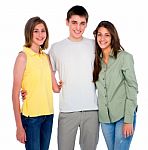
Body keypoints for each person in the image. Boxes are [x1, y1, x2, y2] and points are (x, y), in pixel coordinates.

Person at [48, 5, 99, 150]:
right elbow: (46, 72)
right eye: (74, 22)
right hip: (67, 110)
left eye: (82, 23)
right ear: (67, 22)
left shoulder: (94, 45)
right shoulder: (57, 48)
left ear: (86, 24)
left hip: (91, 110)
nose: (78, 27)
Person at [12, 16, 61, 150]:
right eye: (36, 31)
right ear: (29, 33)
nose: (40, 35)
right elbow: (14, 94)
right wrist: (19, 127)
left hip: (48, 115)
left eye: (43, 31)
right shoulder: (23, 57)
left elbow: (55, 88)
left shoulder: (46, 57)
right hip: (31, 117)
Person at [93, 20, 138, 150]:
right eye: (99, 34)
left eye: (107, 35)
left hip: (123, 115)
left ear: (113, 37)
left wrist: (128, 120)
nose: (102, 38)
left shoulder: (124, 57)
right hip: (105, 118)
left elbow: (132, 88)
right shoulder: (96, 61)